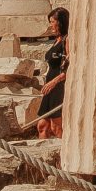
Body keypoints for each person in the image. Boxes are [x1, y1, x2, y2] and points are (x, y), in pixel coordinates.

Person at [34, 8, 69, 139]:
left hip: (58, 86)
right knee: (42, 125)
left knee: (56, 127)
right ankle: (39, 158)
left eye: (52, 21)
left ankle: (64, 158)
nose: (50, 25)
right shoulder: (57, 40)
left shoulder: (67, 39)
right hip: (49, 87)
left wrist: (54, 82)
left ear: (60, 22)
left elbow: (70, 67)